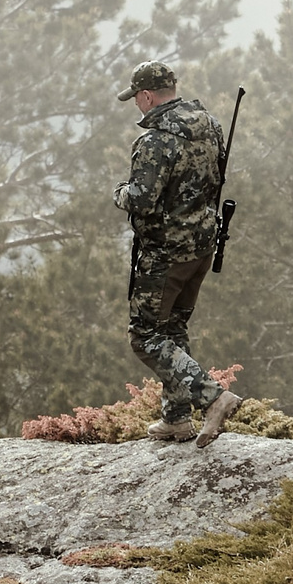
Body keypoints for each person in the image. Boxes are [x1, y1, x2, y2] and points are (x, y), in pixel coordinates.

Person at [113, 61, 242, 446]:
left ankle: (213, 397)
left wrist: (120, 191)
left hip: (166, 254)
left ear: (147, 95)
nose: (137, 104)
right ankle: (176, 418)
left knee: (145, 336)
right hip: (201, 247)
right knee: (172, 329)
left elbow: (142, 199)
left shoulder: (154, 141)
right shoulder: (211, 125)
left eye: (136, 97)